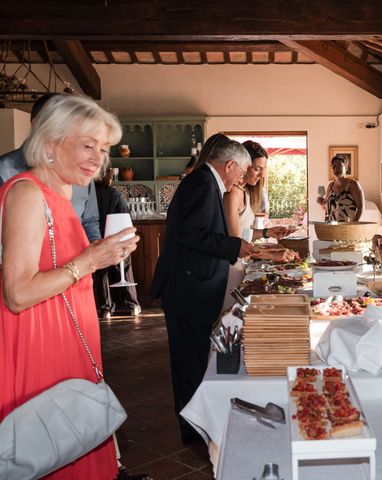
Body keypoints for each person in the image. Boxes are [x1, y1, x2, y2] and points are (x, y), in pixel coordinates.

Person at [0, 94, 140, 478]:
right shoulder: (27, 194)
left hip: (66, 339)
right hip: (39, 343)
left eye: (104, 149)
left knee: (71, 439)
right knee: (49, 443)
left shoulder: (61, 195)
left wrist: (102, 253)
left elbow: (58, 262)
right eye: (87, 145)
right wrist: (91, 260)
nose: (98, 158)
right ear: (50, 141)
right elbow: (17, 293)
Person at [150, 134, 255, 444]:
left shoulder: (206, 183)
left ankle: (197, 424)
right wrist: (237, 246)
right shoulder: (201, 183)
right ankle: (193, 430)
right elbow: (190, 234)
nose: (240, 181)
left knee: (194, 360)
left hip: (193, 286)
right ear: (230, 164)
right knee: (188, 364)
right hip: (186, 288)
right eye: (241, 172)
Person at [0, 92, 102, 242]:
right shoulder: (4, 171)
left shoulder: (81, 170)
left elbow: (89, 221)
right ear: (36, 124)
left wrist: (96, 247)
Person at [223, 139, 296, 263]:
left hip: (243, 264)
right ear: (244, 165)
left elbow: (243, 233)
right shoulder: (232, 195)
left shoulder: (245, 191)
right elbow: (236, 244)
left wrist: (268, 232)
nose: (262, 175)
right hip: (232, 267)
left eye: (264, 169)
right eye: (257, 169)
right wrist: (271, 255)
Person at [93, 167, 141, 317]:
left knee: (101, 273)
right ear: (109, 178)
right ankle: (131, 305)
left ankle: (105, 307)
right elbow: (125, 215)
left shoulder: (89, 196)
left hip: (96, 239)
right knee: (123, 269)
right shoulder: (115, 194)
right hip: (117, 238)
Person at [316, 155, 365, 222]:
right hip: (332, 227)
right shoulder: (330, 186)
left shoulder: (353, 184)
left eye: (339, 164)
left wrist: (353, 225)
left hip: (348, 228)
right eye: (333, 165)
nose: (335, 167)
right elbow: (326, 208)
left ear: (346, 168)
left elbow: (361, 208)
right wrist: (321, 203)